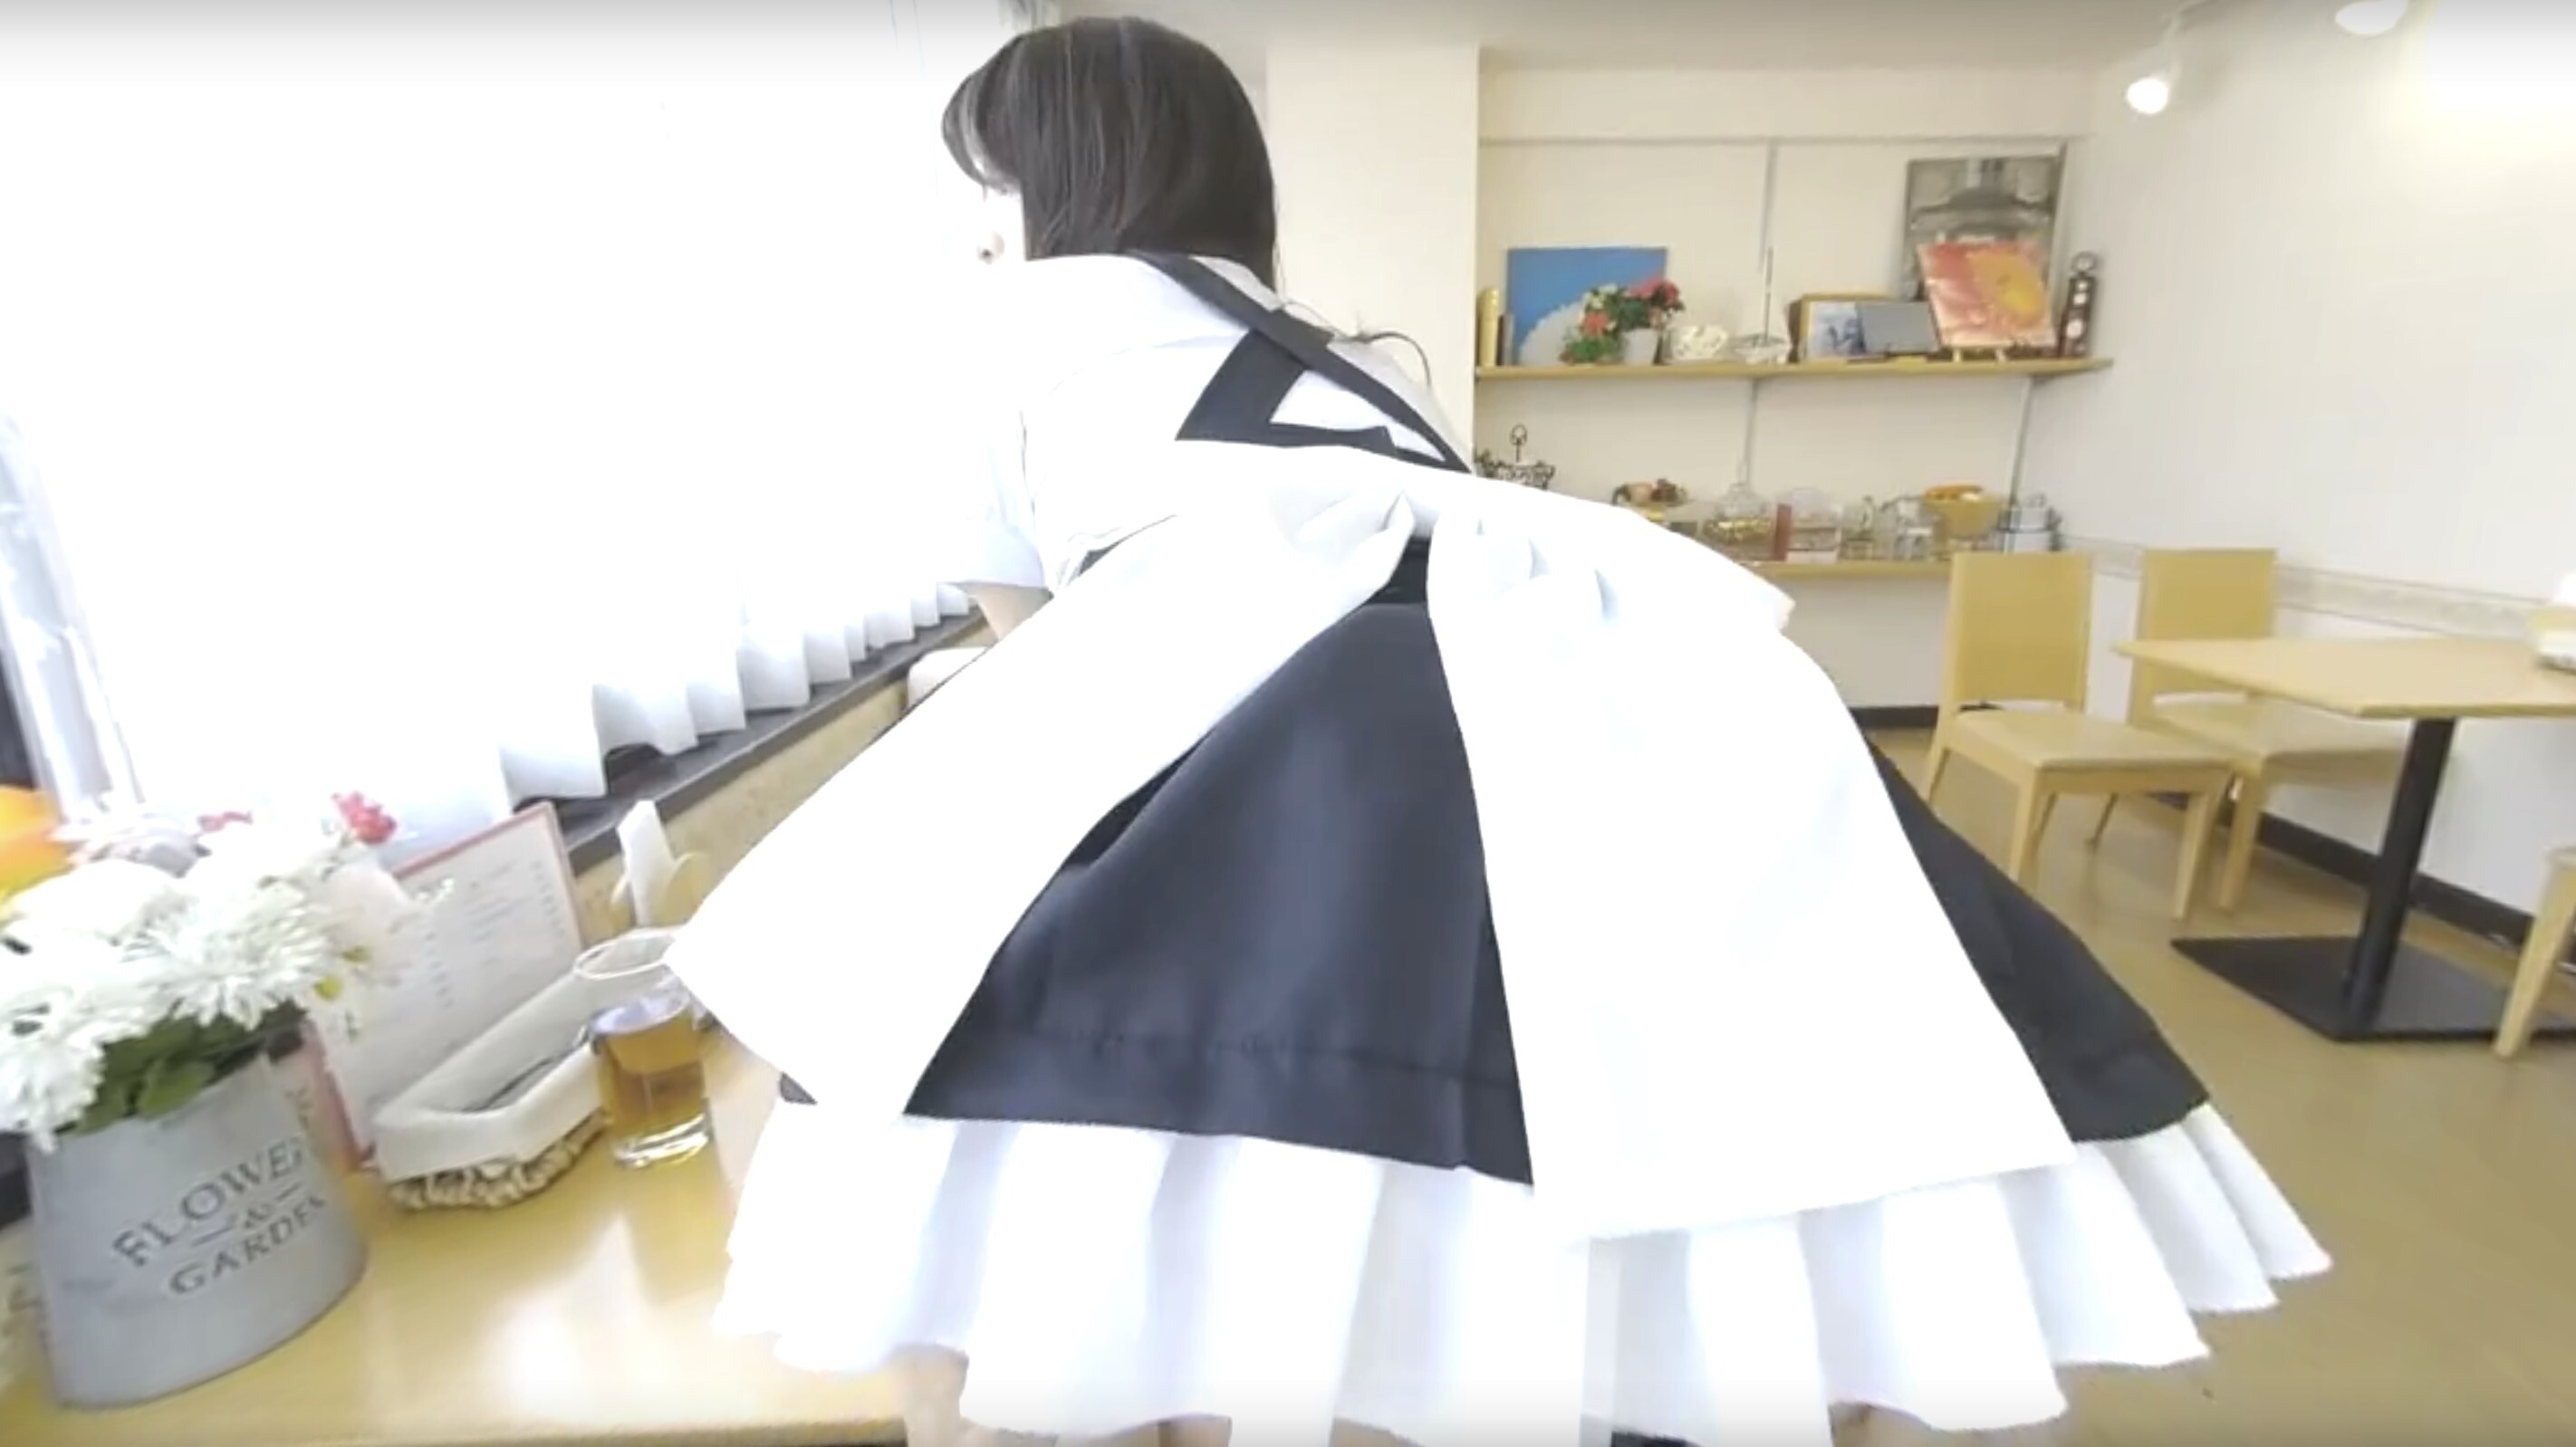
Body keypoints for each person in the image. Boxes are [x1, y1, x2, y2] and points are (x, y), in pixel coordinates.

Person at [668, 17, 2327, 1447]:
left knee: (916, 1048)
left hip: (1291, 717)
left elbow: (1046, 653)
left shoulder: (1004, 329)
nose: (977, 230)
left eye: (986, 190)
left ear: (1049, 187)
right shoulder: (1348, 353)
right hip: (1613, 687)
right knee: (1687, 1073)